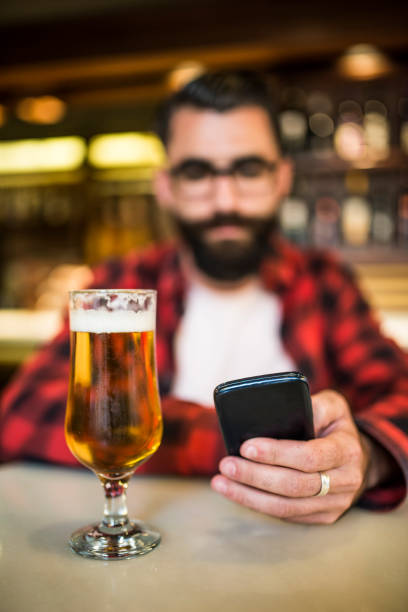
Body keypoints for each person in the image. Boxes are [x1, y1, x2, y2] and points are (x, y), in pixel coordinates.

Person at [1, 70, 407, 525]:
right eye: (197, 172)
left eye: (248, 169)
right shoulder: (120, 284)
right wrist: (245, 441)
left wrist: (366, 455)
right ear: (165, 186)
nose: (225, 199)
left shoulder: (324, 281)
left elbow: (401, 390)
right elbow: (22, 412)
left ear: (281, 179)